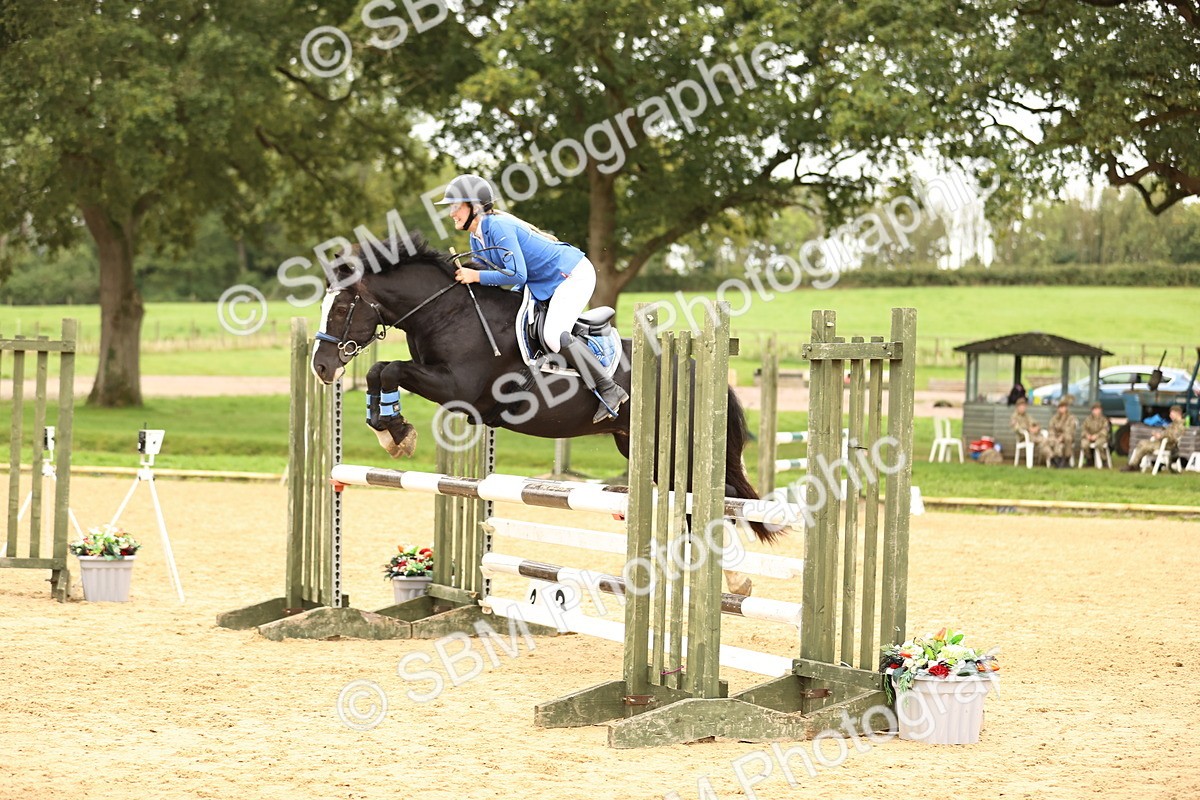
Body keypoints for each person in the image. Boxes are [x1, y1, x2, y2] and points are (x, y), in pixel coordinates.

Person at [437, 174, 628, 423]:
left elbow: (517, 273)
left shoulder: (498, 227)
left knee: (553, 335)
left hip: (571, 275)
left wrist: (475, 276)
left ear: (474, 206)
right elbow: (488, 273)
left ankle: (610, 388)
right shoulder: (476, 237)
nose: (452, 213)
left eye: (456, 206)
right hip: (542, 282)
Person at [1123, 405, 1186, 472]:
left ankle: (1134, 465)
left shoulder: (1180, 425)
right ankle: (1134, 464)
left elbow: (1173, 437)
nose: (1170, 415)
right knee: (1142, 443)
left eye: (1171, 413)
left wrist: (1161, 436)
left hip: (1167, 445)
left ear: (1177, 413)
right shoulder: (1174, 424)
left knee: (1144, 445)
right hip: (1163, 443)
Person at [1046, 399, 1078, 468]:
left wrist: (1062, 437)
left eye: (1063, 407)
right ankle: (1055, 460)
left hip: (1066, 436)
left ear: (1066, 408)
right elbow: (1051, 428)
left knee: (1068, 438)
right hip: (1056, 437)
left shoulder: (1071, 418)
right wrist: (1054, 436)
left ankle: (1066, 459)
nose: (1062, 409)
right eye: (1060, 407)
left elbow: (1071, 429)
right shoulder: (1054, 418)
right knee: (1050, 440)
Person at [1079, 402, 1111, 467]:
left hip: (1100, 437)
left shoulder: (1104, 420)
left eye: (1098, 409)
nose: (1096, 411)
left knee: (1099, 444)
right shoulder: (1088, 419)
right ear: (1092, 410)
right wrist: (1087, 435)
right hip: (1089, 437)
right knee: (1084, 444)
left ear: (1100, 410)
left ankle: (1104, 460)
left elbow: (1105, 430)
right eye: (1094, 409)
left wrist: (1097, 436)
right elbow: (1083, 429)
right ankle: (1089, 459)